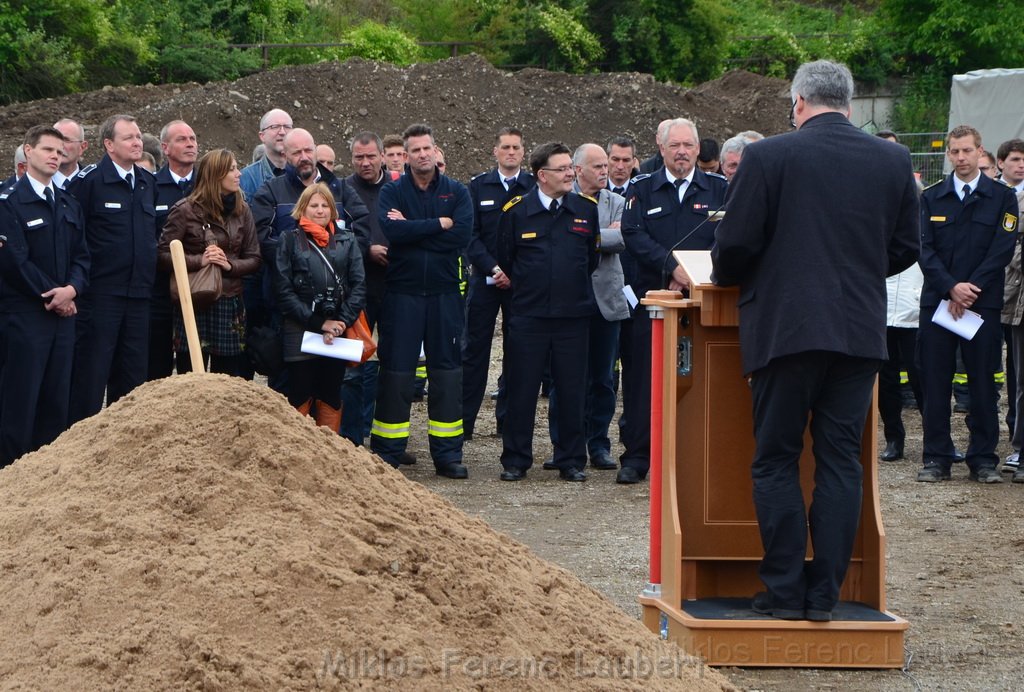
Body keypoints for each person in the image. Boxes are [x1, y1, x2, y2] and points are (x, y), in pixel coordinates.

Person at [711, 60, 920, 621]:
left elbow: (732, 247)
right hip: (856, 330)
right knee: (840, 463)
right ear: (848, 104)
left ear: (798, 102)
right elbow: (904, 248)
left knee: (776, 459)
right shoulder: (893, 158)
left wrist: (756, 271)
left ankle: (783, 593)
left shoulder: (768, 155)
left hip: (785, 329)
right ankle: (825, 597)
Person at [619, 117, 729, 484]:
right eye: (674, 146)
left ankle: (694, 457)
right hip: (653, 300)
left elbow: (729, 236)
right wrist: (671, 267)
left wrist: (694, 273)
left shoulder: (719, 189)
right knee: (642, 381)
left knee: (701, 379)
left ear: (698, 149)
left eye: (688, 145)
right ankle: (637, 456)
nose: (681, 152)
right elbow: (633, 234)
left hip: (703, 303)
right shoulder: (642, 188)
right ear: (661, 148)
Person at [917, 125, 1020, 483]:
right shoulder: (932, 198)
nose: (961, 158)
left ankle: (983, 459)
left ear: (980, 152)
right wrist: (949, 288)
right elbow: (924, 250)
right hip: (938, 305)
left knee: (982, 383)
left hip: (981, 304)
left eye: (967, 151)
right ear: (948, 154)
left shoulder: (1002, 198)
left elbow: (1002, 249)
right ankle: (936, 458)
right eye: (954, 152)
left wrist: (969, 289)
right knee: (935, 382)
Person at [371, 123, 472, 479]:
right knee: (396, 372)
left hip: (444, 295)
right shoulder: (392, 192)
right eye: (415, 150)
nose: (422, 155)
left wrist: (416, 227)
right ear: (405, 156)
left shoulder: (457, 192)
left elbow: (460, 235)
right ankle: (388, 450)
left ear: (435, 149)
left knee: (446, 374)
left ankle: (447, 455)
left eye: (427, 148)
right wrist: (436, 224)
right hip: (403, 294)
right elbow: (392, 232)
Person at [496, 142, 599, 482]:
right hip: (529, 316)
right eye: (562, 169)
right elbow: (507, 257)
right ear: (542, 175)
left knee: (572, 390)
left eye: (571, 167)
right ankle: (516, 459)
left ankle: (570, 459)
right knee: (521, 389)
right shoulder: (516, 211)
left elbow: (591, 259)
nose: (571, 173)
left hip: (573, 317)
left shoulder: (585, 209)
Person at [0, 125, 89, 466]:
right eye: (48, 149)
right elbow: (14, 261)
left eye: (60, 151)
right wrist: (55, 296)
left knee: (56, 401)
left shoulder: (68, 202)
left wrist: (73, 289)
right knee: (19, 402)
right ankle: (11, 475)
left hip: (62, 319)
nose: (56, 156)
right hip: (25, 318)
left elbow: (83, 256)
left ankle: (46, 476)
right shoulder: (9, 203)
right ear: (28, 151)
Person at [67, 114, 158, 424]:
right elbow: (73, 239)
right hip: (100, 296)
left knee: (132, 379)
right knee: (91, 377)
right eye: (129, 137)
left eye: (138, 136)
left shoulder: (147, 182)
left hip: (139, 295)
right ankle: (80, 445)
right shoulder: (88, 182)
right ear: (108, 145)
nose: (137, 142)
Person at [546, 143, 627, 471]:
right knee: (564, 379)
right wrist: (599, 235)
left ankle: (599, 444)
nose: (605, 171)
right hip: (570, 304)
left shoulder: (618, 202)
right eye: (598, 167)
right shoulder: (563, 202)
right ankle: (563, 445)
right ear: (578, 171)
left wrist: (584, 236)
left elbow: (622, 239)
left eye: (606, 166)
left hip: (606, 304)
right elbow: (561, 240)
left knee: (602, 379)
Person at [157, 149, 262, 375]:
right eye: (232, 169)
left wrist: (229, 266)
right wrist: (200, 260)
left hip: (230, 300)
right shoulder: (184, 210)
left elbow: (254, 258)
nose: (239, 174)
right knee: (191, 376)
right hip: (194, 300)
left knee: (229, 378)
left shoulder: (242, 210)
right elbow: (162, 256)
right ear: (216, 175)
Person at [462, 127, 535, 441]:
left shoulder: (533, 186)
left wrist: (514, 273)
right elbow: (470, 235)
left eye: (516, 147)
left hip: (520, 285)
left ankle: (508, 422)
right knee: (473, 353)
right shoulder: (478, 187)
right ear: (495, 151)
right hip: (484, 281)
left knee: (517, 354)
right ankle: (463, 424)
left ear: (522, 152)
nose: (510, 152)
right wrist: (493, 268)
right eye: (505, 147)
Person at [274, 183, 365, 429]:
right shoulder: (289, 240)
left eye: (325, 205)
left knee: (330, 394)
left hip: (337, 329)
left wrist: (340, 322)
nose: (320, 210)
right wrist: (318, 322)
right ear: (302, 208)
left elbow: (358, 286)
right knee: (300, 394)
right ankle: (297, 453)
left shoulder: (348, 241)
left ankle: (328, 453)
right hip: (299, 329)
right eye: (314, 205)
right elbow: (283, 290)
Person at [148, 120, 198, 380]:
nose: (190, 143)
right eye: (182, 139)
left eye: (192, 138)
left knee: (195, 370)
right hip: (160, 293)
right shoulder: (152, 187)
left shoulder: (207, 185)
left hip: (201, 290)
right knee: (157, 369)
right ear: (165, 148)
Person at [240, 108, 293, 201]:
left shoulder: (305, 174)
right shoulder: (246, 178)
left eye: (287, 127)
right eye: (275, 127)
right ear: (262, 136)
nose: (282, 132)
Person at [52, 118, 88, 189]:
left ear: (82, 147)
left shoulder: (95, 181)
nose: (60, 146)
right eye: (55, 140)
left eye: (66, 140)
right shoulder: (35, 182)